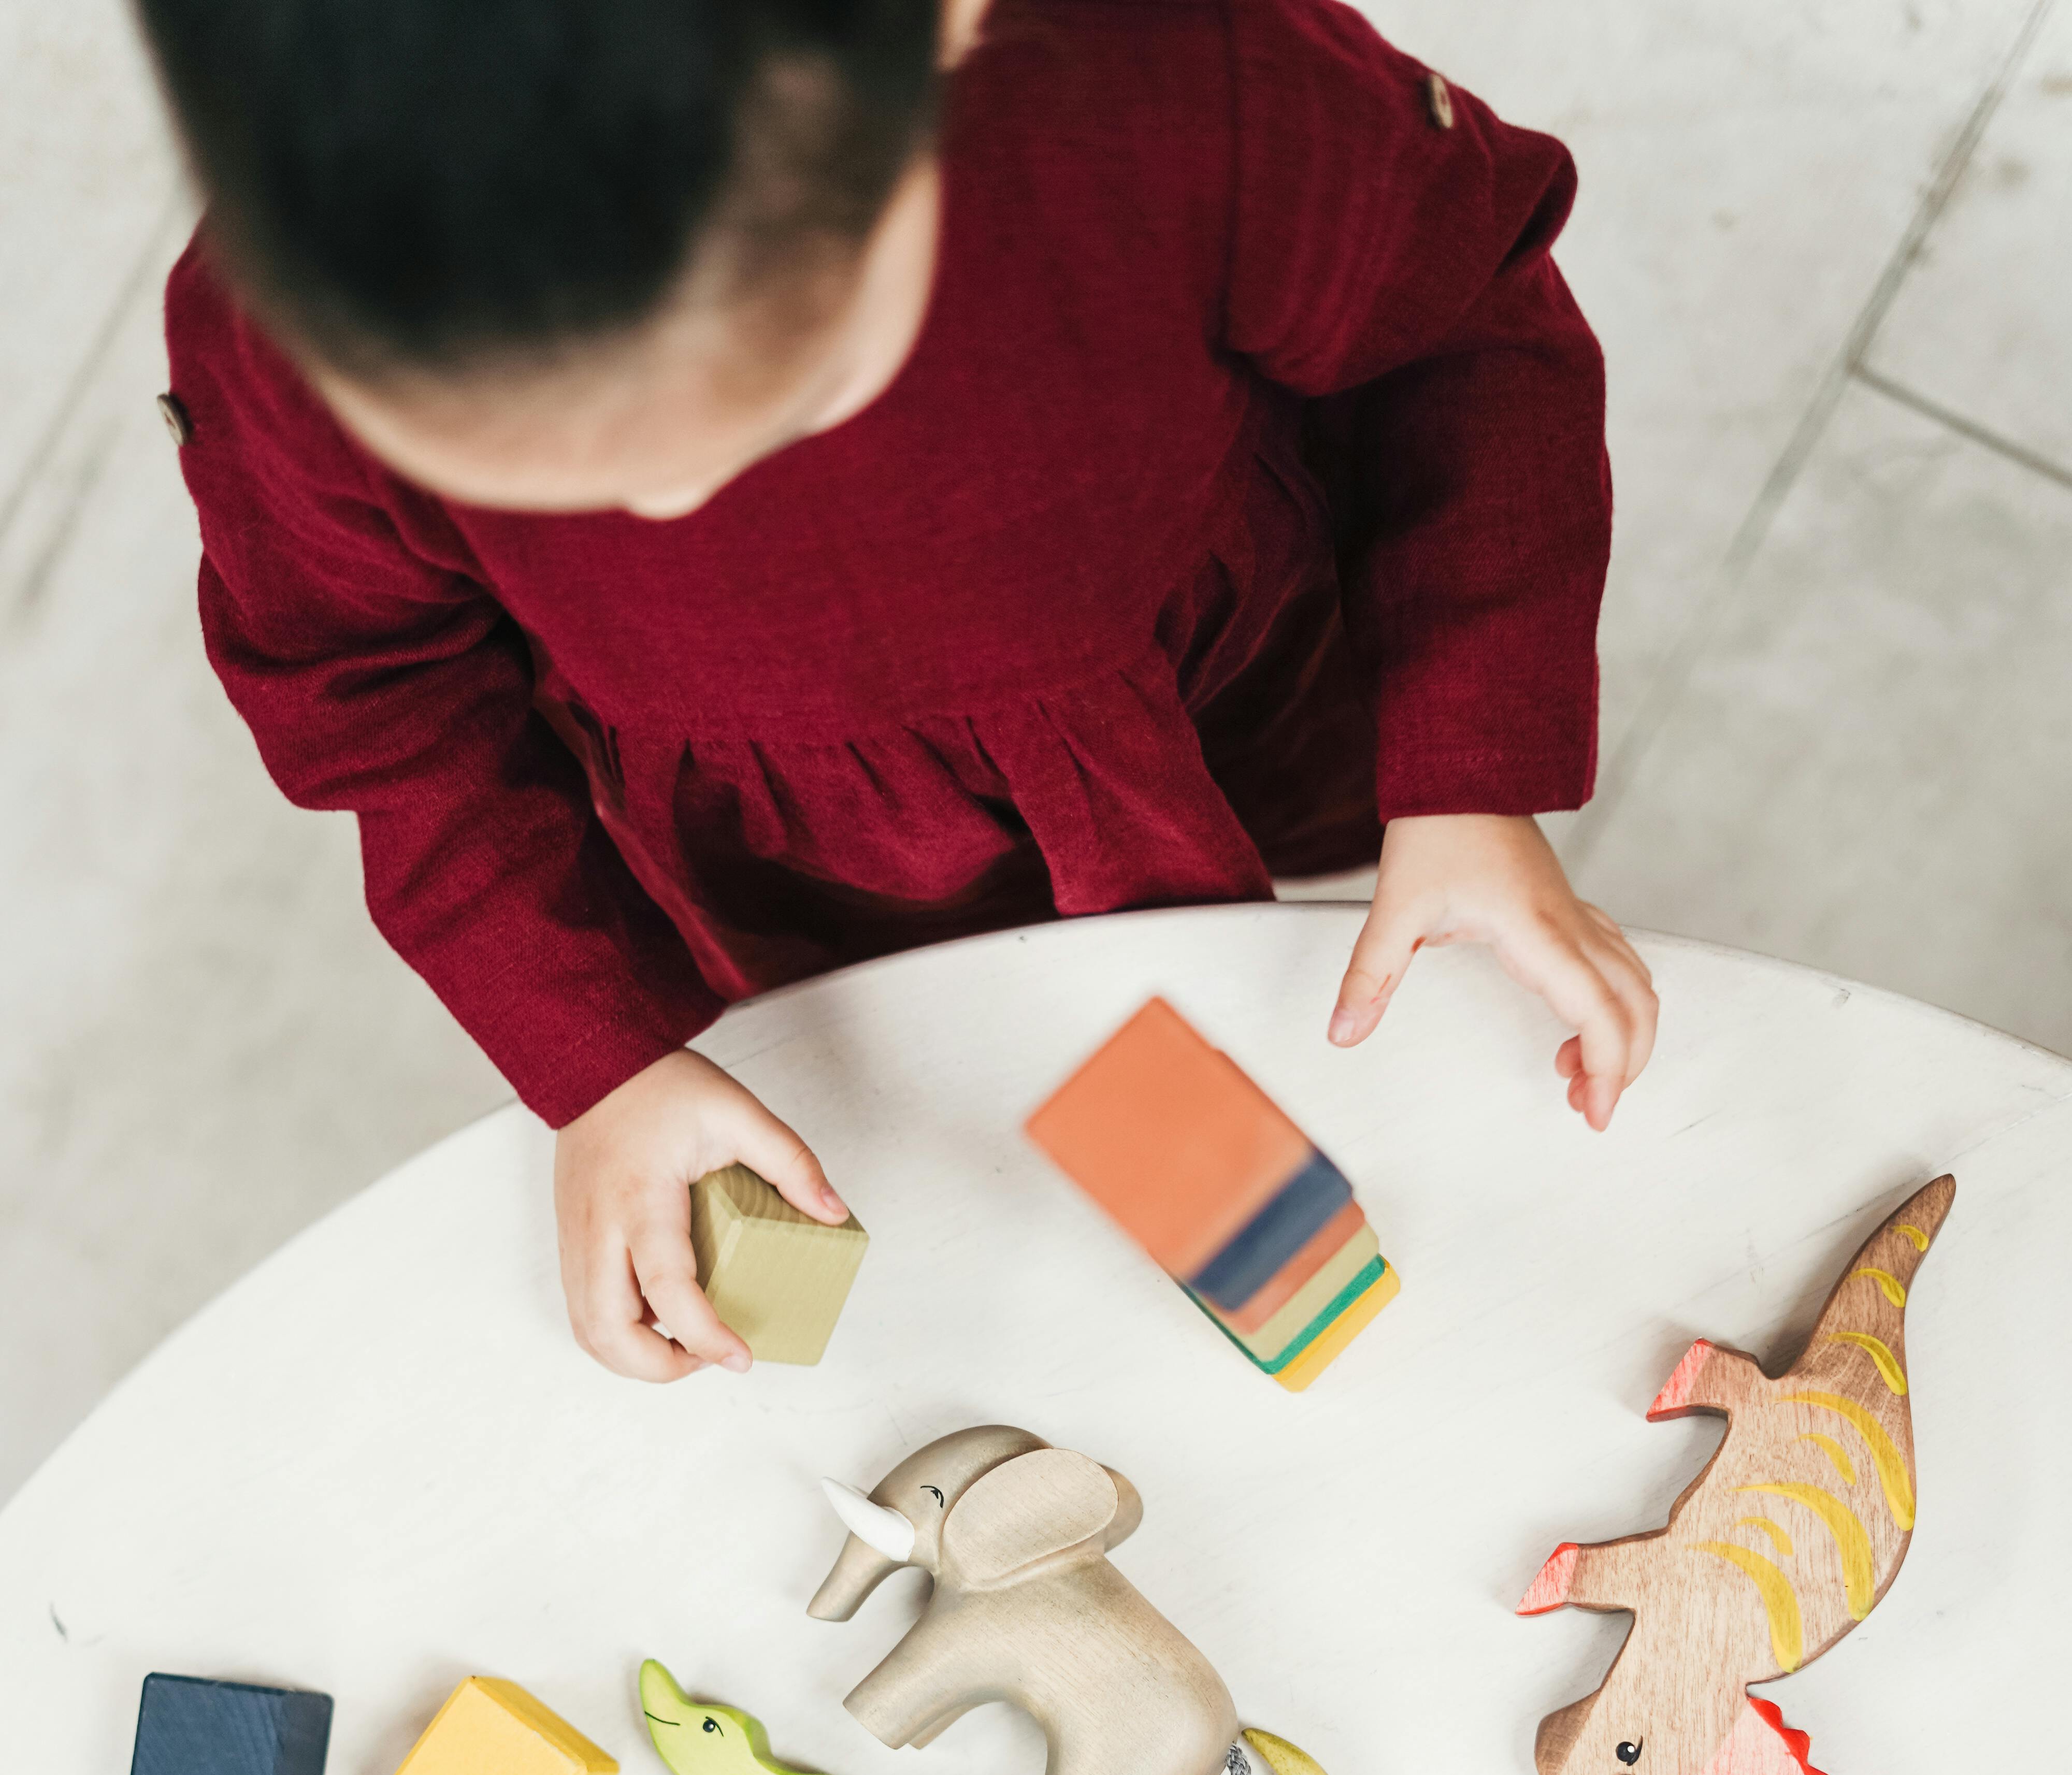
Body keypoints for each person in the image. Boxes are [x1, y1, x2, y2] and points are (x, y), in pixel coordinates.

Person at [141, 0, 1657, 1379]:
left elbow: (1465, 326)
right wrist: (595, 1051)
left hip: (1238, 705)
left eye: (773, 403)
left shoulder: (1177, 78)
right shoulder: (284, 347)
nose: (668, 502)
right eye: (547, 477)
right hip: (792, 865)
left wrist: (1468, 764)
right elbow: (376, 699)